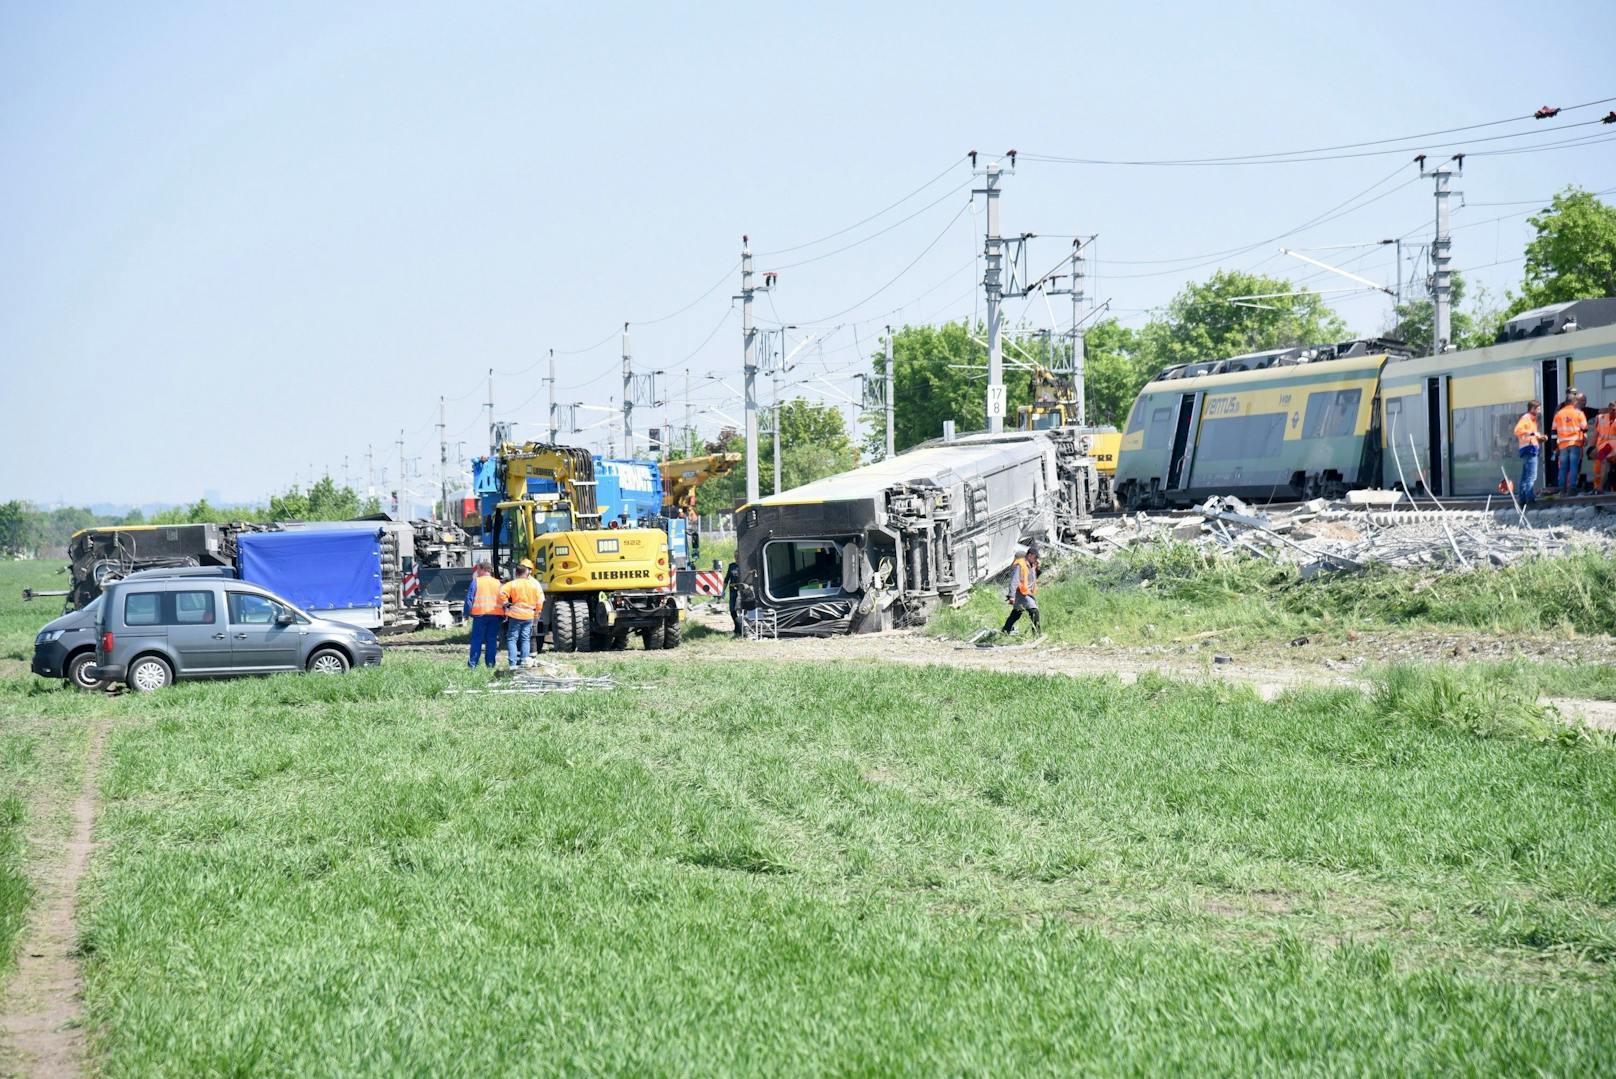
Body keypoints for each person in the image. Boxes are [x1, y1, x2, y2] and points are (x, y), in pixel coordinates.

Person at [500, 559, 543, 668]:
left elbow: (501, 592)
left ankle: (513, 665)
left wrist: (506, 603)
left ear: (516, 573)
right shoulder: (534, 585)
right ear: (527, 572)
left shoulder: (512, 584)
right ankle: (525, 662)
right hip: (529, 616)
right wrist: (537, 614)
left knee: (512, 639)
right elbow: (539, 601)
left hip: (515, 616)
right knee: (525, 639)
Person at [463, 563, 503, 669]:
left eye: (478, 570)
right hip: (495, 615)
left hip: (480, 615)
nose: (477, 572)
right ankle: (490, 665)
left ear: (482, 569)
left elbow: (469, 599)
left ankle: (472, 665)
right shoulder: (498, 583)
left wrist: (466, 614)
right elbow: (503, 599)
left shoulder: (476, 581)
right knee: (491, 640)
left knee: (477, 640)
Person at [1552, 391, 1589, 495]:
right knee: (1573, 466)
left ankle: (1562, 489)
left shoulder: (1558, 414)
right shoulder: (1578, 413)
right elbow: (1585, 428)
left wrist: (1555, 446)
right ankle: (1572, 488)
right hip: (1575, 443)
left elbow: (1554, 431)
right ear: (1574, 402)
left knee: (1563, 467)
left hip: (1563, 444)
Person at [1001, 544, 1041, 636]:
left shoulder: (1032, 565)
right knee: (1034, 611)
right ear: (1030, 555)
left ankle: (1005, 631)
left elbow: (1034, 578)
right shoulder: (1021, 565)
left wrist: (1038, 569)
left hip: (1027, 593)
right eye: (1035, 557)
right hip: (1022, 593)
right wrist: (1011, 596)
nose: (1036, 560)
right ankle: (1037, 634)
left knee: (1016, 613)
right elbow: (1014, 581)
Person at [1514, 400, 1548, 506]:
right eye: (1538, 409)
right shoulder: (1527, 418)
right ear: (1532, 408)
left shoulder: (1531, 419)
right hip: (1529, 449)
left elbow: (1529, 435)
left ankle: (1522, 500)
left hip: (1527, 448)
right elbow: (1517, 430)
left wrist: (1538, 438)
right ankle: (1530, 500)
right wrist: (1534, 434)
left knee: (1525, 476)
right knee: (1531, 477)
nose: (1539, 411)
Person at [1596, 401, 1616, 494]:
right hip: (1603, 447)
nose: (1613, 411)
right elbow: (1596, 433)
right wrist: (1592, 447)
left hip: (1613, 448)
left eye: (1615, 409)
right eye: (1612, 409)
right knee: (1603, 464)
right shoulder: (1601, 418)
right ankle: (1600, 488)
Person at [723, 560, 743, 637]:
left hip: (742, 590)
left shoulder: (744, 565)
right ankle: (737, 627)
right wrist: (723, 591)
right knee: (732, 609)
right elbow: (727, 579)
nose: (736, 557)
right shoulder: (732, 566)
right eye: (735, 555)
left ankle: (741, 628)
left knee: (742, 609)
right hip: (733, 590)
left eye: (738, 555)